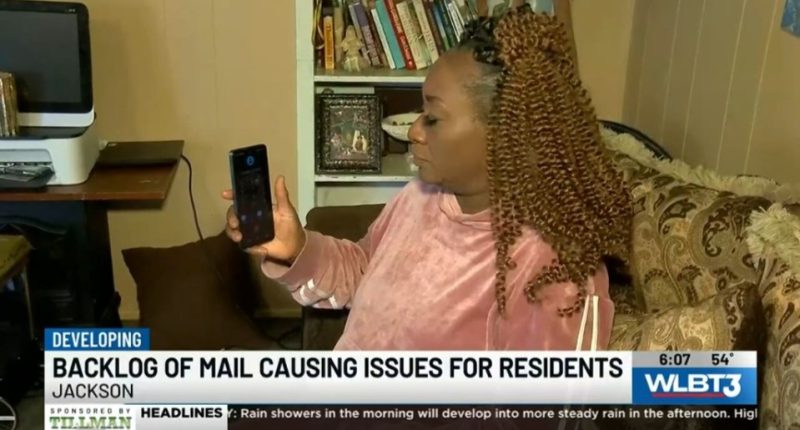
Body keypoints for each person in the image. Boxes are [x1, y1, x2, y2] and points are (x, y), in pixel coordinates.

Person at [223, 5, 631, 350]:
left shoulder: (553, 269)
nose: (415, 130)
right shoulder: (420, 196)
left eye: (432, 117)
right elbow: (364, 270)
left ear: (507, 133)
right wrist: (297, 249)